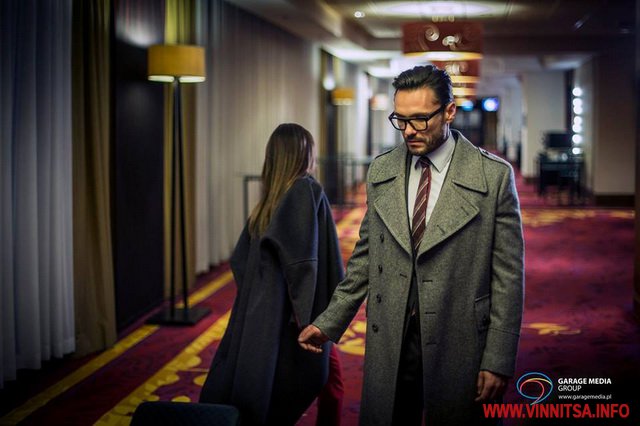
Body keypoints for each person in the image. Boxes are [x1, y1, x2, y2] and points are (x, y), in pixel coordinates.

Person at [299, 65, 524, 426]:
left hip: (459, 335)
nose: (408, 131)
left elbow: (508, 279)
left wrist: (498, 359)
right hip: (392, 333)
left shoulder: (492, 177)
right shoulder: (382, 171)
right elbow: (366, 256)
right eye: (400, 120)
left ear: (449, 111)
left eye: (420, 119)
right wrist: (330, 321)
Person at [200, 123, 344, 425]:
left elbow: (241, 261)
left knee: (323, 381)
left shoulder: (269, 202)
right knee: (332, 383)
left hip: (264, 315)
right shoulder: (306, 189)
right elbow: (304, 264)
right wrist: (314, 318)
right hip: (297, 317)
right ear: (305, 154)